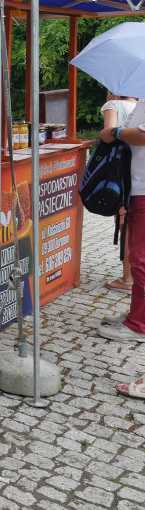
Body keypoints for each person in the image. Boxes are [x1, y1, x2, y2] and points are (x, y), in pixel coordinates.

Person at [97, 104, 145, 344]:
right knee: (138, 258)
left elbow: (142, 135)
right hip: (137, 188)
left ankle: (139, 325)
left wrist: (115, 133)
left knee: (141, 259)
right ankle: (136, 315)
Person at [100, 92, 138, 292]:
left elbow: (108, 135)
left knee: (126, 224)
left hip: (122, 173)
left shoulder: (113, 105)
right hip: (138, 172)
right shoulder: (138, 105)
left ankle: (128, 279)